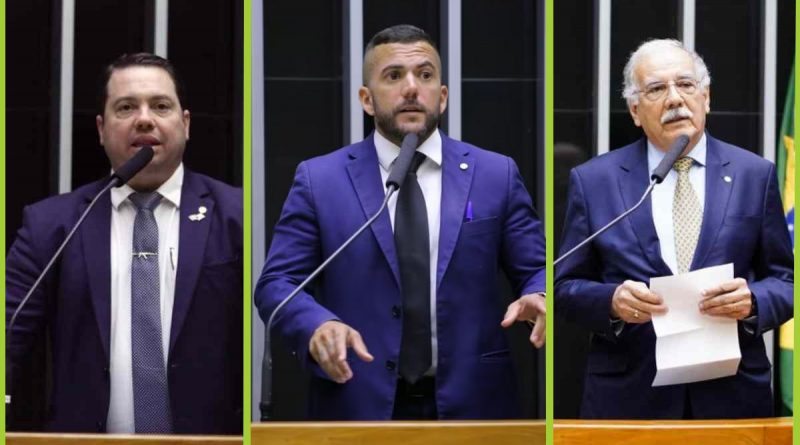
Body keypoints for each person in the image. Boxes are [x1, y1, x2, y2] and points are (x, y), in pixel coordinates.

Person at [255, 24, 546, 420]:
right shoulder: (320, 180)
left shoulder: (496, 174)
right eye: (393, 76)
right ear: (367, 99)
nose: (411, 88)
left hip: (473, 404)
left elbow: (537, 269)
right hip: (356, 400)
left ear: (442, 96)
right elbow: (277, 284)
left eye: (424, 75)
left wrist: (540, 294)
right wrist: (316, 325)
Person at [555, 39, 793, 419]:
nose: (675, 99)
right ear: (635, 110)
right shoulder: (595, 181)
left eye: (685, 84)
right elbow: (564, 286)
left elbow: (786, 281)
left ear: (706, 98)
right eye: (656, 89)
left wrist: (753, 302)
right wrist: (611, 301)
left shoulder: (754, 175)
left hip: (731, 398)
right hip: (629, 398)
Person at [6, 53, 242, 434]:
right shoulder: (52, 225)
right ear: (101, 129)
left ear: (185, 124)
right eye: (126, 107)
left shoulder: (237, 216)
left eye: (160, 106)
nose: (144, 119)